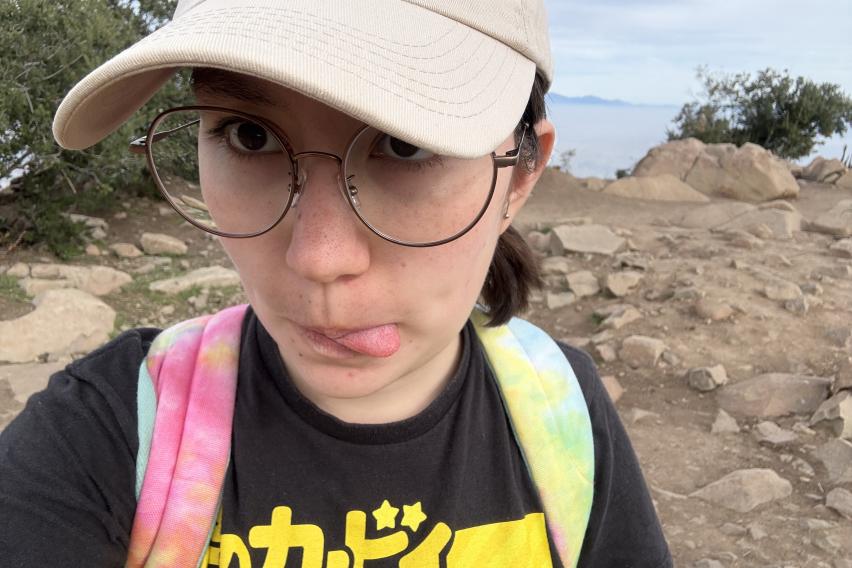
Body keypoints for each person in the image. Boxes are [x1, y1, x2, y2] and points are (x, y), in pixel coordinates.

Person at [0, 1, 672, 566]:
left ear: (519, 177)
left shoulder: (565, 415)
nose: (318, 259)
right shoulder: (101, 434)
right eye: (250, 136)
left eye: (406, 144)